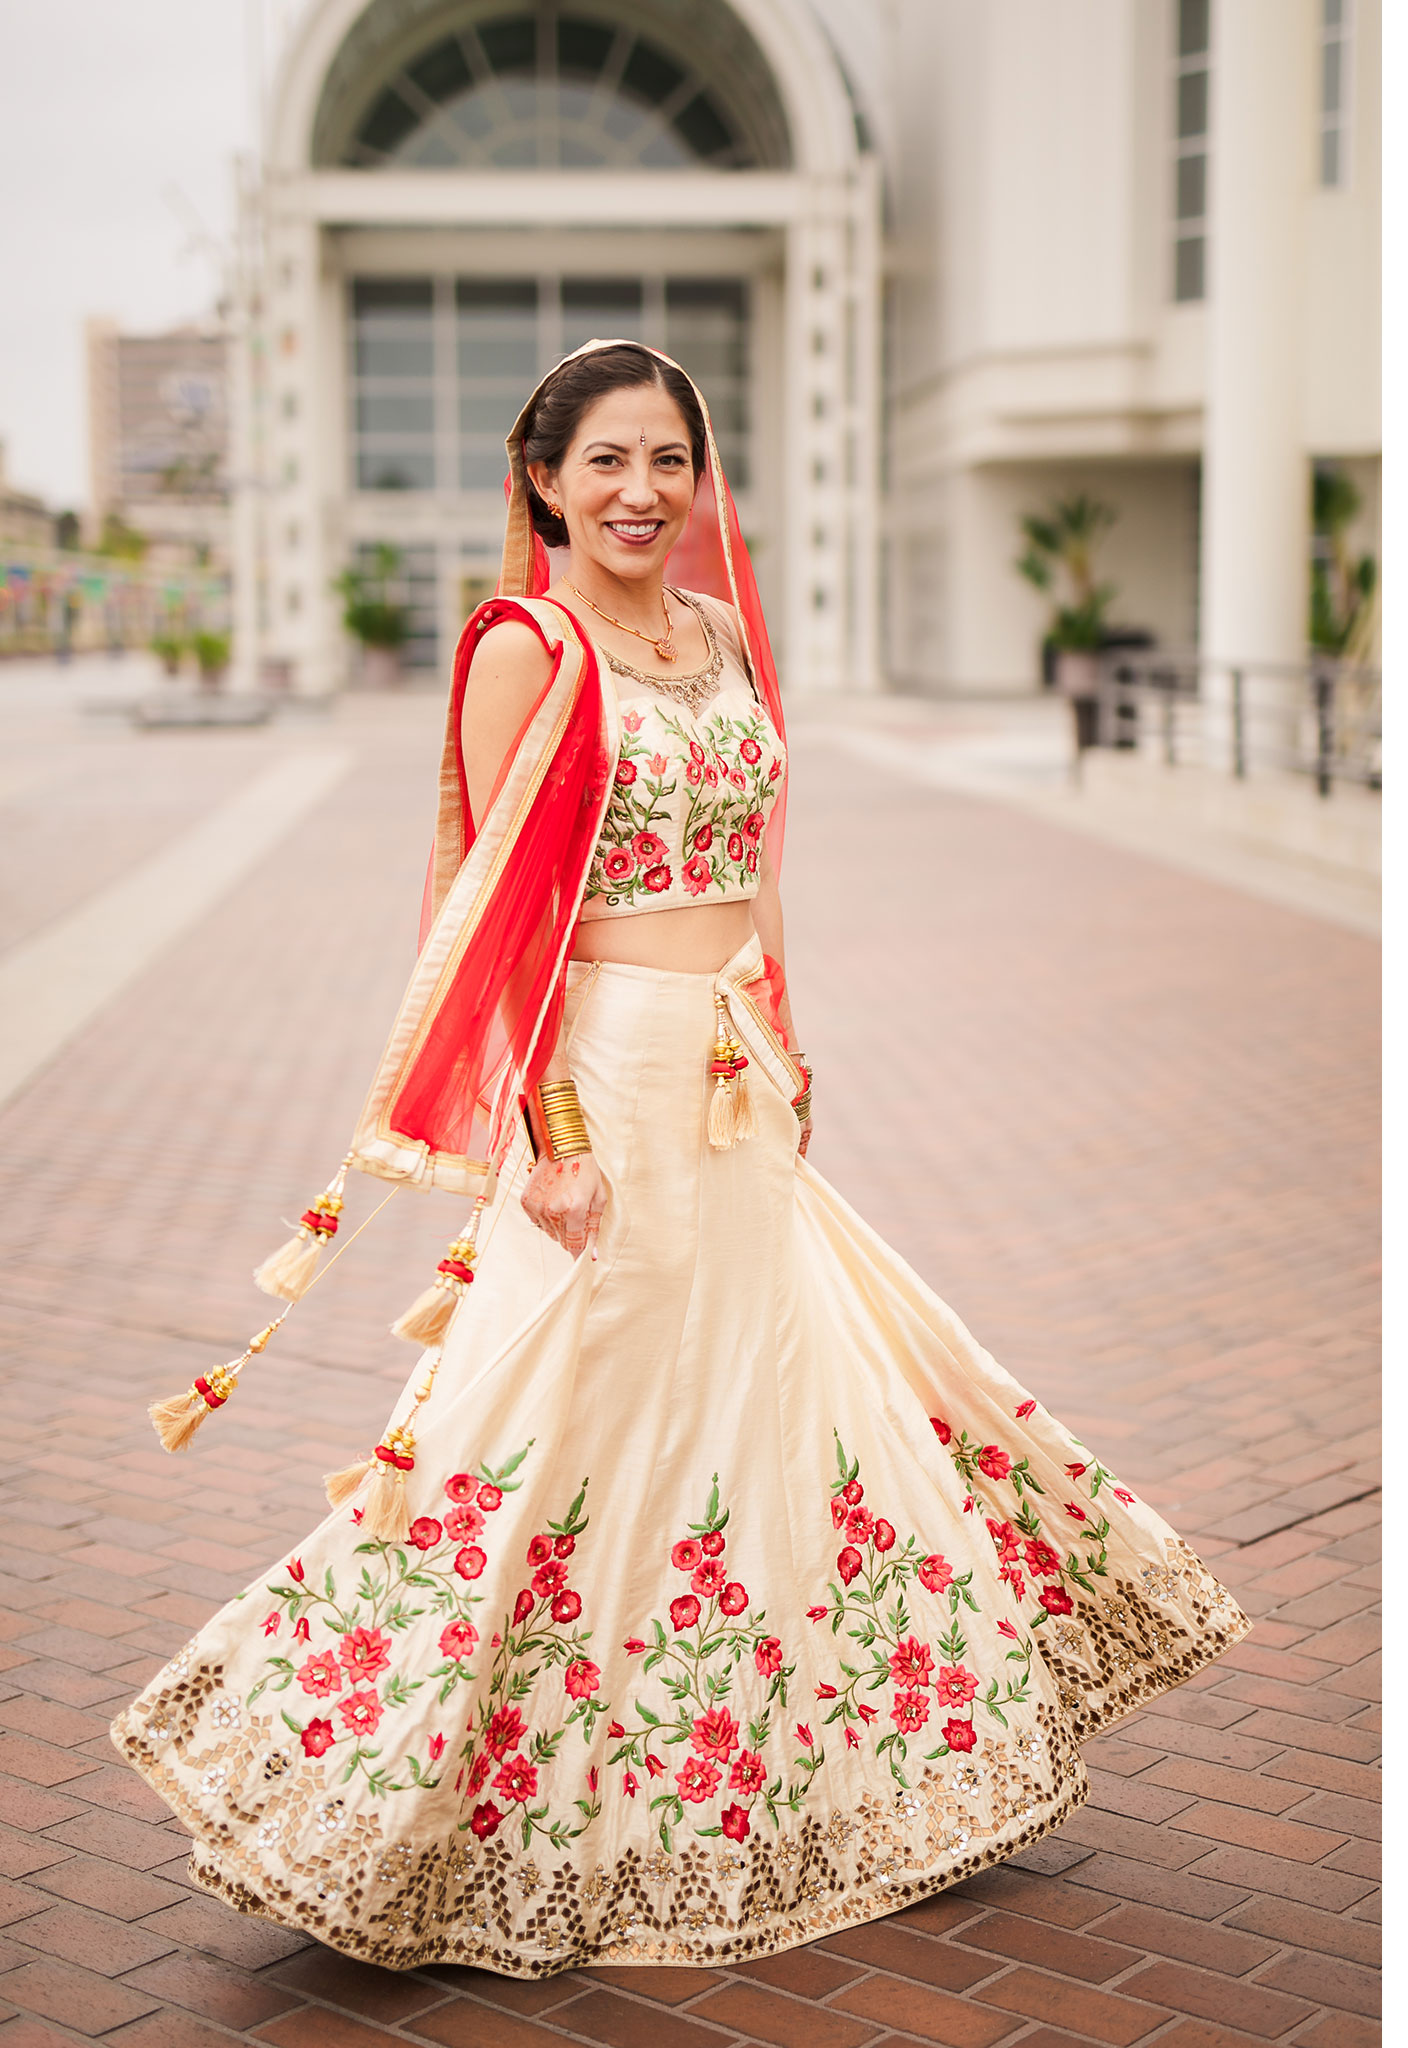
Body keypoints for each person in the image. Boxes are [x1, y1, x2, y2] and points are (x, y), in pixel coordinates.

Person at [111, 340, 1249, 1978]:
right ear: (545, 480)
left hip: (733, 1073)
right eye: (608, 463)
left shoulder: (714, 636)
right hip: (605, 1084)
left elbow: (763, 852)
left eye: (671, 460)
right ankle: (367, 1787)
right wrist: (548, 1136)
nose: (643, 492)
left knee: (771, 1397)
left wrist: (785, 1026)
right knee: (550, 1418)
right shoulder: (529, 646)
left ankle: (785, 1772)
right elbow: (495, 917)